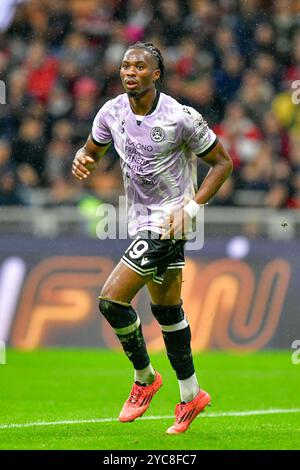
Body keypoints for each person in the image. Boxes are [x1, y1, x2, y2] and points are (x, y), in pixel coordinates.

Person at [72, 42, 233, 434]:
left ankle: (145, 378)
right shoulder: (111, 112)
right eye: (125, 65)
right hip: (139, 219)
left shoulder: (180, 117)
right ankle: (191, 393)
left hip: (170, 221)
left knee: (112, 299)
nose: (129, 71)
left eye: (139, 66)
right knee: (167, 312)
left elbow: (222, 163)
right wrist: (83, 157)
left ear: (155, 75)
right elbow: (93, 148)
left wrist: (191, 209)